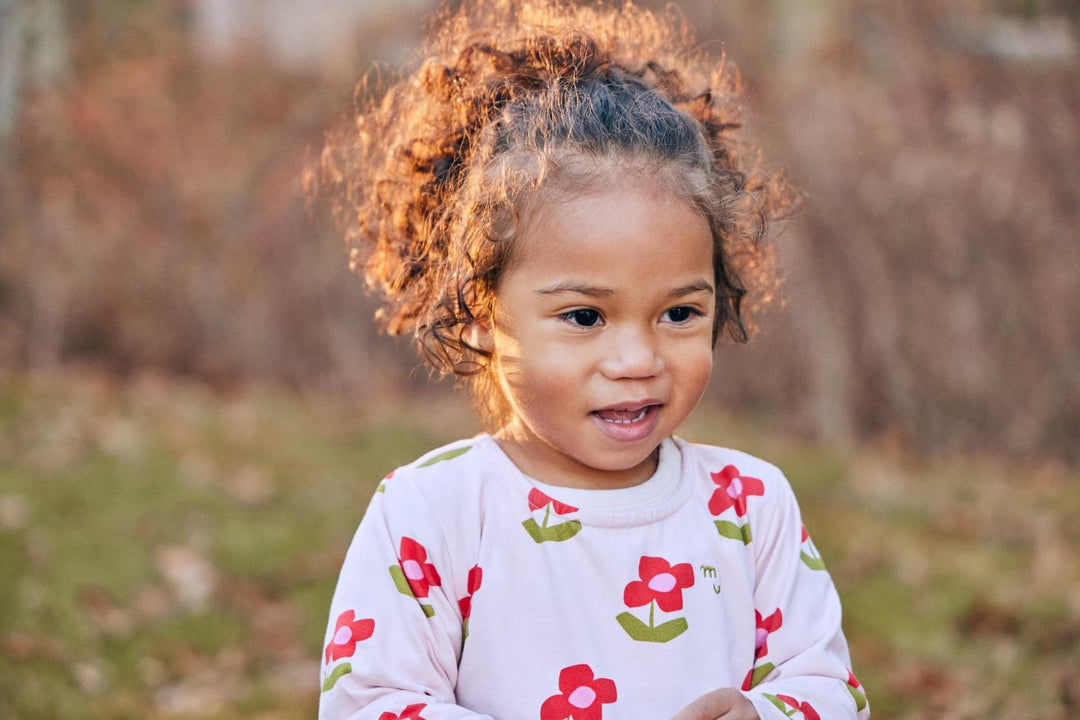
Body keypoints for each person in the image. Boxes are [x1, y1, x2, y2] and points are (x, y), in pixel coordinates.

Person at [312, 1, 869, 718]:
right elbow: (371, 704)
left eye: (678, 313)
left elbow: (829, 688)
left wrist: (766, 713)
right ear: (484, 316)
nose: (637, 359)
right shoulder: (434, 512)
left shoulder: (749, 508)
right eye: (585, 317)